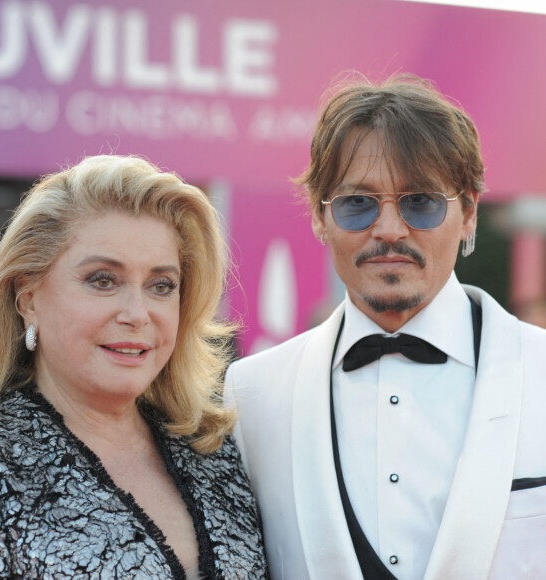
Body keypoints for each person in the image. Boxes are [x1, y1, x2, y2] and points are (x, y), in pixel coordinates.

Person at [224, 73, 546, 580]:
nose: (390, 230)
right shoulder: (250, 394)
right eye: (358, 204)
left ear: (468, 215)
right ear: (318, 218)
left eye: (420, 202)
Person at [0, 155, 268, 579]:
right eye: (103, 280)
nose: (138, 314)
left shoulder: (213, 450)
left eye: (161, 286)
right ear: (28, 297)